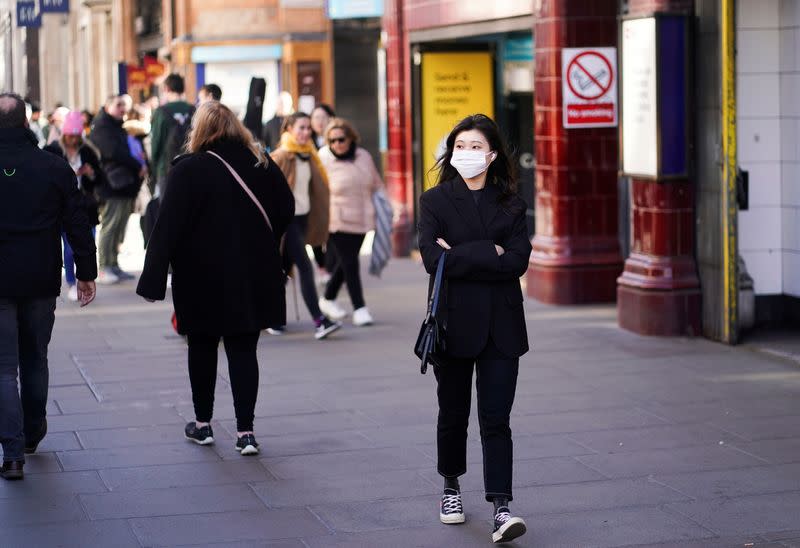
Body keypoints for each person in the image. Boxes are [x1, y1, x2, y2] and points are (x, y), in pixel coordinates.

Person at [136, 101, 295, 456]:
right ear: (237, 127)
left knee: (202, 345)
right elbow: (286, 209)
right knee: (243, 348)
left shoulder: (188, 169)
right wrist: (265, 241)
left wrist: (153, 280)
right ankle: (246, 432)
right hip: (251, 271)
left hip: (199, 274)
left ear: (200, 129)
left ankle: (203, 424)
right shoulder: (262, 164)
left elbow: (167, 227)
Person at [417, 114, 531, 544]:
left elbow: (517, 261)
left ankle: (501, 506)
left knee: (496, 419)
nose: (466, 153)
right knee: (453, 414)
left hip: (503, 326)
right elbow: (432, 258)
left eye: (474, 146)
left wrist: (463, 254)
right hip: (453, 321)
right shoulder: (435, 201)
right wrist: (491, 252)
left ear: (492, 154)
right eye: (459, 145)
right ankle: (451, 487)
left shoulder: (511, 203)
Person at [0, 93, 97, 481]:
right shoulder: (54, 168)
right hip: (40, 277)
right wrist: (86, 272)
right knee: (34, 357)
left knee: (4, 369)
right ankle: (33, 430)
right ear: (27, 123)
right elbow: (78, 221)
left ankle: (11, 453)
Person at [269, 112, 341, 339]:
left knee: (282, 271)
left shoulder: (310, 155)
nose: (306, 132)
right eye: (301, 127)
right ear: (288, 129)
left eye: (308, 128)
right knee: (305, 267)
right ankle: (320, 320)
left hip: (303, 220)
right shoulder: (280, 156)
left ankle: (272, 317)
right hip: (286, 221)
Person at [318, 118, 382, 327]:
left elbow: (376, 183)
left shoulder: (363, 156)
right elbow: (318, 191)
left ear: (350, 138)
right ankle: (360, 308)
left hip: (363, 218)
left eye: (341, 139)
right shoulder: (324, 158)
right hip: (337, 219)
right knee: (351, 264)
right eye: (332, 140)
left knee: (347, 261)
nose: (337, 144)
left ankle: (327, 299)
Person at [44, 111, 105, 301]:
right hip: (62, 206)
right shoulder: (53, 151)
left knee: (89, 243)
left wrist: (90, 174)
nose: (72, 140)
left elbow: (100, 179)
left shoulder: (88, 151)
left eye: (76, 136)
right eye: (70, 135)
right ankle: (71, 281)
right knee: (69, 248)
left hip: (85, 205)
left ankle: (85, 277)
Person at [89, 94, 146, 284]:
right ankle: (105, 266)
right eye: (118, 105)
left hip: (123, 185)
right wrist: (137, 165)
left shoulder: (115, 126)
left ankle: (113, 263)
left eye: (124, 105)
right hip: (111, 185)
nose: (122, 109)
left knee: (119, 227)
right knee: (111, 226)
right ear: (107, 106)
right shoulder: (103, 127)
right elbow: (113, 152)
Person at [150, 73, 195, 197]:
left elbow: (156, 144)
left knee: (167, 211)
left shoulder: (161, 112)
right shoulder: (193, 110)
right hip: (190, 167)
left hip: (166, 168)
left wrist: (153, 168)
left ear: (167, 89)